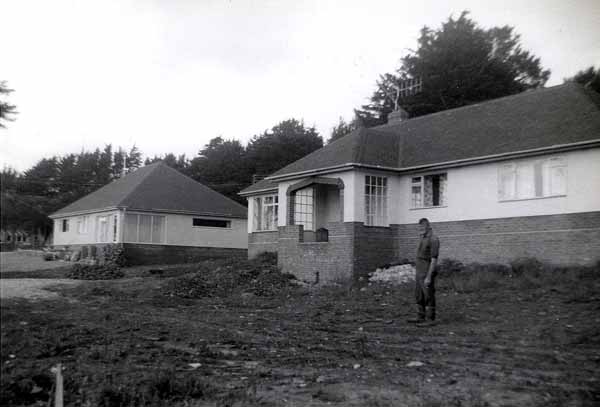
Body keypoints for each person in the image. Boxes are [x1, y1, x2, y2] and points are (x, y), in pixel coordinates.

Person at [407, 218, 440, 326]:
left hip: (427, 271)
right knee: (419, 294)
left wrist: (429, 276)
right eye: (419, 227)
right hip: (419, 270)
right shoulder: (422, 238)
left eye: (423, 227)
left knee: (428, 295)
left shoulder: (434, 239)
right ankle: (420, 316)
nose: (420, 229)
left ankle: (431, 319)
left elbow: (434, 260)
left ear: (428, 227)